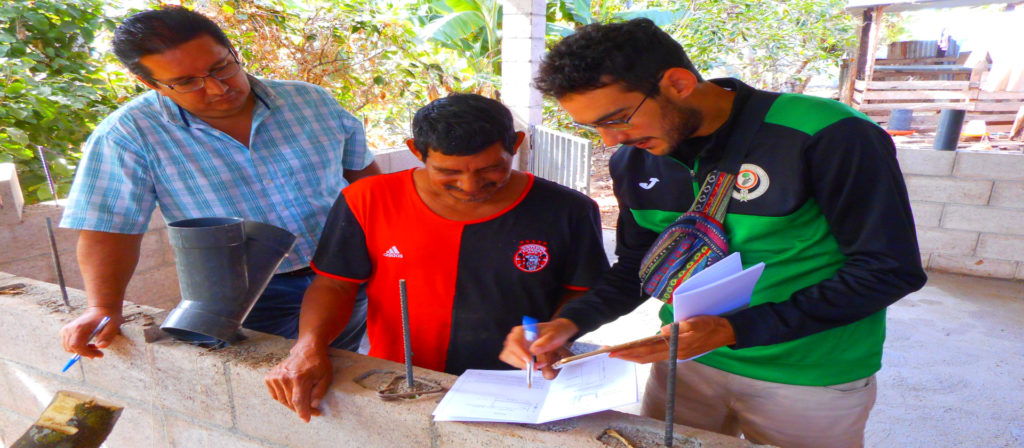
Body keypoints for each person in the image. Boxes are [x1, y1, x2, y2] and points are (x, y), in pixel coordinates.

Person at [499, 18, 927, 448]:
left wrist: (734, 329)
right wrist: (570, 322)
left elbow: (889, 269)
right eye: (594, 128)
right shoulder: (635, 160)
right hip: (683, 362)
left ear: (679, 83)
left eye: (618, 118)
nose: (611, 140)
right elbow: (638, 267)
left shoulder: (827, 134)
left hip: (808, 374)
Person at [265, 93, 609, 422]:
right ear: (416, 151)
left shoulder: (569, 210)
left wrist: (555, 335)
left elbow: (584, 290)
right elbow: (335, 284)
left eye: (490, 169)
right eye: (449, 172)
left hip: (521, 386)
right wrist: (308, 345)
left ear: (516, 144)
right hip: (400, 382)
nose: (470, 185)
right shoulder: (366, 199)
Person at [58, 6, 379, 358]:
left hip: (342, 275)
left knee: (346, 368)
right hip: (243, 295)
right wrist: (103, 307)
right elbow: (109, 228)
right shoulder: (128, 136)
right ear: (150, 84)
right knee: (265, 381)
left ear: (233, 51)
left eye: (221, 67)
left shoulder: (310, 102)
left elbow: (365, 183)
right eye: (186, 82)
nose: (217, 88)